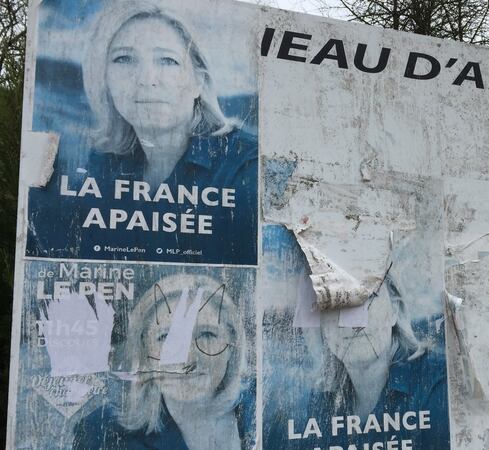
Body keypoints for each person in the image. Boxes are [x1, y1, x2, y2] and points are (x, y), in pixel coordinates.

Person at [25, 1, 257, 264]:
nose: (147, 78)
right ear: (104, 78)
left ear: (198, 82)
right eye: (124, 58)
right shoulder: (97, 167)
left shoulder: (246, 169)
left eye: (168, 61)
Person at [263, 277, 449, 449]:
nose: (354, 322)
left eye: (368, 297)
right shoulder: (319, 404)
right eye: (336, 301)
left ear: (395, 310)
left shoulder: (437, 385)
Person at [73, 274, 255, 450]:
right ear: (144, 349)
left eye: (207, 334)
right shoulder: (99, 432)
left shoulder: (267, 412)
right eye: (167, 337)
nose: (188, 359)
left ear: (232, 345)